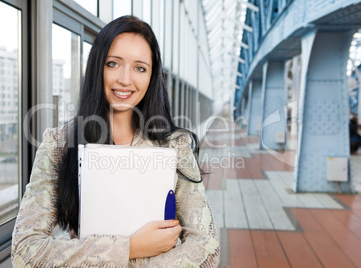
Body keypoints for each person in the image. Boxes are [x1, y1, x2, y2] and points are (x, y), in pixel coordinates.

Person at [11, 15, 220, 267]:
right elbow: (25, 252)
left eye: (140, 68)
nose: (125, 79)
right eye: (113, 63)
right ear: (97, 67)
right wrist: (131, 248)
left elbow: (207, 248)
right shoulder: (58, 143)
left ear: (152, 77)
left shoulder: (174, 145)